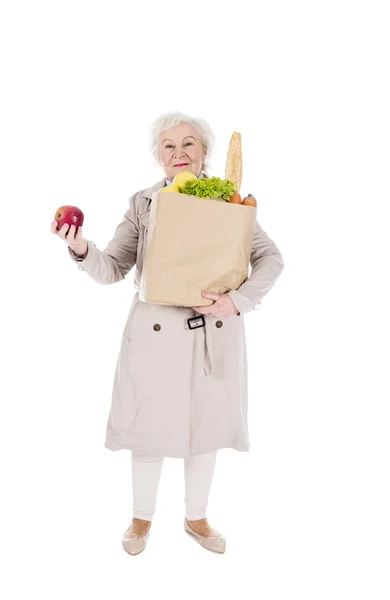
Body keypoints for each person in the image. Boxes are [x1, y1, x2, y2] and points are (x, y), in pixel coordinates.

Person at [51, 111, 284, 555]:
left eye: (189, 144)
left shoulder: (231, 202)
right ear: (159, 156)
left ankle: (197, 518)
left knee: (206, 430)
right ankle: (140, 519)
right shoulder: (142, 203)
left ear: (205, 152)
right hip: (154, 334)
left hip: (212, 332)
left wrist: (235, 301)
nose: (179, 153)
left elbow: (271, 258)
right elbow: (113, 268)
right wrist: (80, 247)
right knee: (148, 430)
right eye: (169, 146)